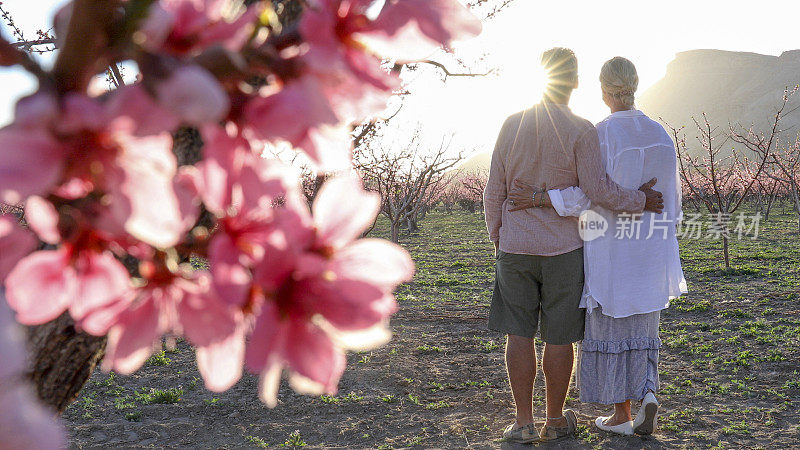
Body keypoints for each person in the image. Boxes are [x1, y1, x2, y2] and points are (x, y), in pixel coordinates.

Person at [483, 48, 664, 444]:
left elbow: (493, 189)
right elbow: (597, 191)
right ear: (578, 81)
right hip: (564, 250)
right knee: (560, 337)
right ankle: (554, 420)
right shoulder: (582, 130)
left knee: (519, 334)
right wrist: (641, 200)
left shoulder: (511, 124)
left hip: (515, 248)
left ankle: (523, 422)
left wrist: (500, 234)